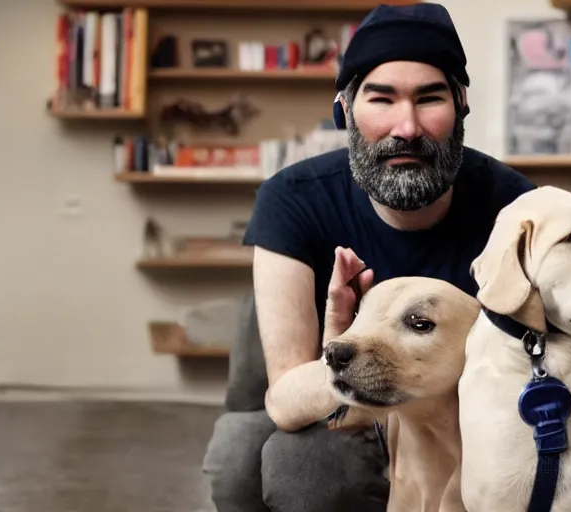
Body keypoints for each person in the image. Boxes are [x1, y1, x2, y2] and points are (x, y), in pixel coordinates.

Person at [201, 3, 537, 511]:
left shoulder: (515, 209)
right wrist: (345, 346)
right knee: (244, 457)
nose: (406, 127)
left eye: (430, 99)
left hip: (453, 414)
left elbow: (526, 379)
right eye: (382, 99)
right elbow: (287, 399)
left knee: (309, 472)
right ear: (345, 107)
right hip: (324, 379)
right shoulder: (292, 198)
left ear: (461, 103)